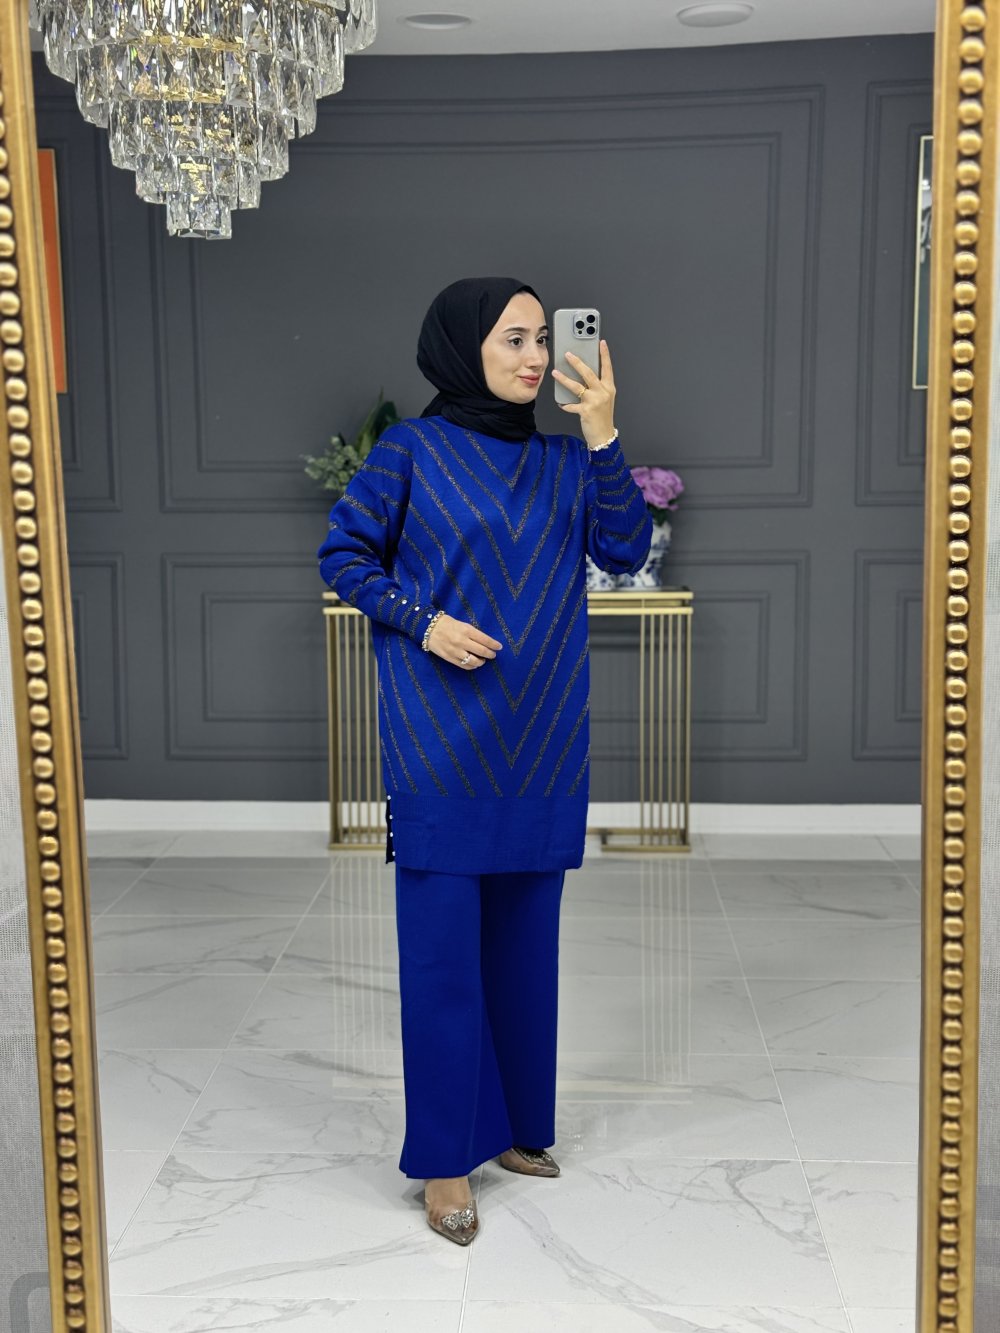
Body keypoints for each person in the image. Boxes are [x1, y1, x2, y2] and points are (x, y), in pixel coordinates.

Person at [316, 276, 652, 1244]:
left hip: (540, 737)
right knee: (441, 961)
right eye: (514, 339)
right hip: (438, 739)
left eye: (544, 338)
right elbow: (344, 556)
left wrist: (602, 434)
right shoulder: (410, 451)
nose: (536, 357)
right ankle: (443, 1160)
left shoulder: (565, 461)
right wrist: (424, 624)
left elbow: (624, 552)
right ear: (464, 348)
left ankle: (513, 1129)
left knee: (525, 951)